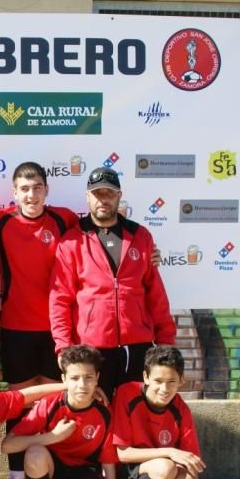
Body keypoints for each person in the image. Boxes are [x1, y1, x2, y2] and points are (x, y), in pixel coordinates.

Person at [0, 162, 80, 479]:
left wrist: (151, 254)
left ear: (46, 190)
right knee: (19, 406)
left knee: (57, 403)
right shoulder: (0, 222)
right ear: (14, 193)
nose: (31, 194)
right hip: (16, 329)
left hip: (57, 330)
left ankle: (56, 475)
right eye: (24, 189)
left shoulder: (64, 219)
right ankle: (15, 475)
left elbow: (100, 238)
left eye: (37, 187)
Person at [50, 167, 176, 398]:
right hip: (91, 347)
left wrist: (166, 340)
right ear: (88, 197)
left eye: (109, 193)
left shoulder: (140, 235)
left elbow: (155, 292)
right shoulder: (71, 240)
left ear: (119, 195)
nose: (103, 199)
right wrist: (64, 347)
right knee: (98, 410)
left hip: (137, 346)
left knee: (134, 410)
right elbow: (60, 299)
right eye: (97, 194)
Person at [3, 344, 118, 479]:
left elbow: (109, 467)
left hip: (82, 471)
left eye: (88, 377)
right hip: (52, 467)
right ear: (64, 379)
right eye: (74, 378)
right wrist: (50, 438)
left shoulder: (105, 412)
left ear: (97, 378)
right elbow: (6, 445)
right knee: (35, 453)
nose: (82, 385)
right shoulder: (50, 404)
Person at [110, 345, 206, 479]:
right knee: (166, 466)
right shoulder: (127, 394)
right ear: (145, 377)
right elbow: (122, 454)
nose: (164, 389)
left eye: (171, 382)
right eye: (158, 381)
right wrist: (170, 451)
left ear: (181, 380)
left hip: (159, 469)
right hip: (126, 466)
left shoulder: (180, 409)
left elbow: (193, 468)